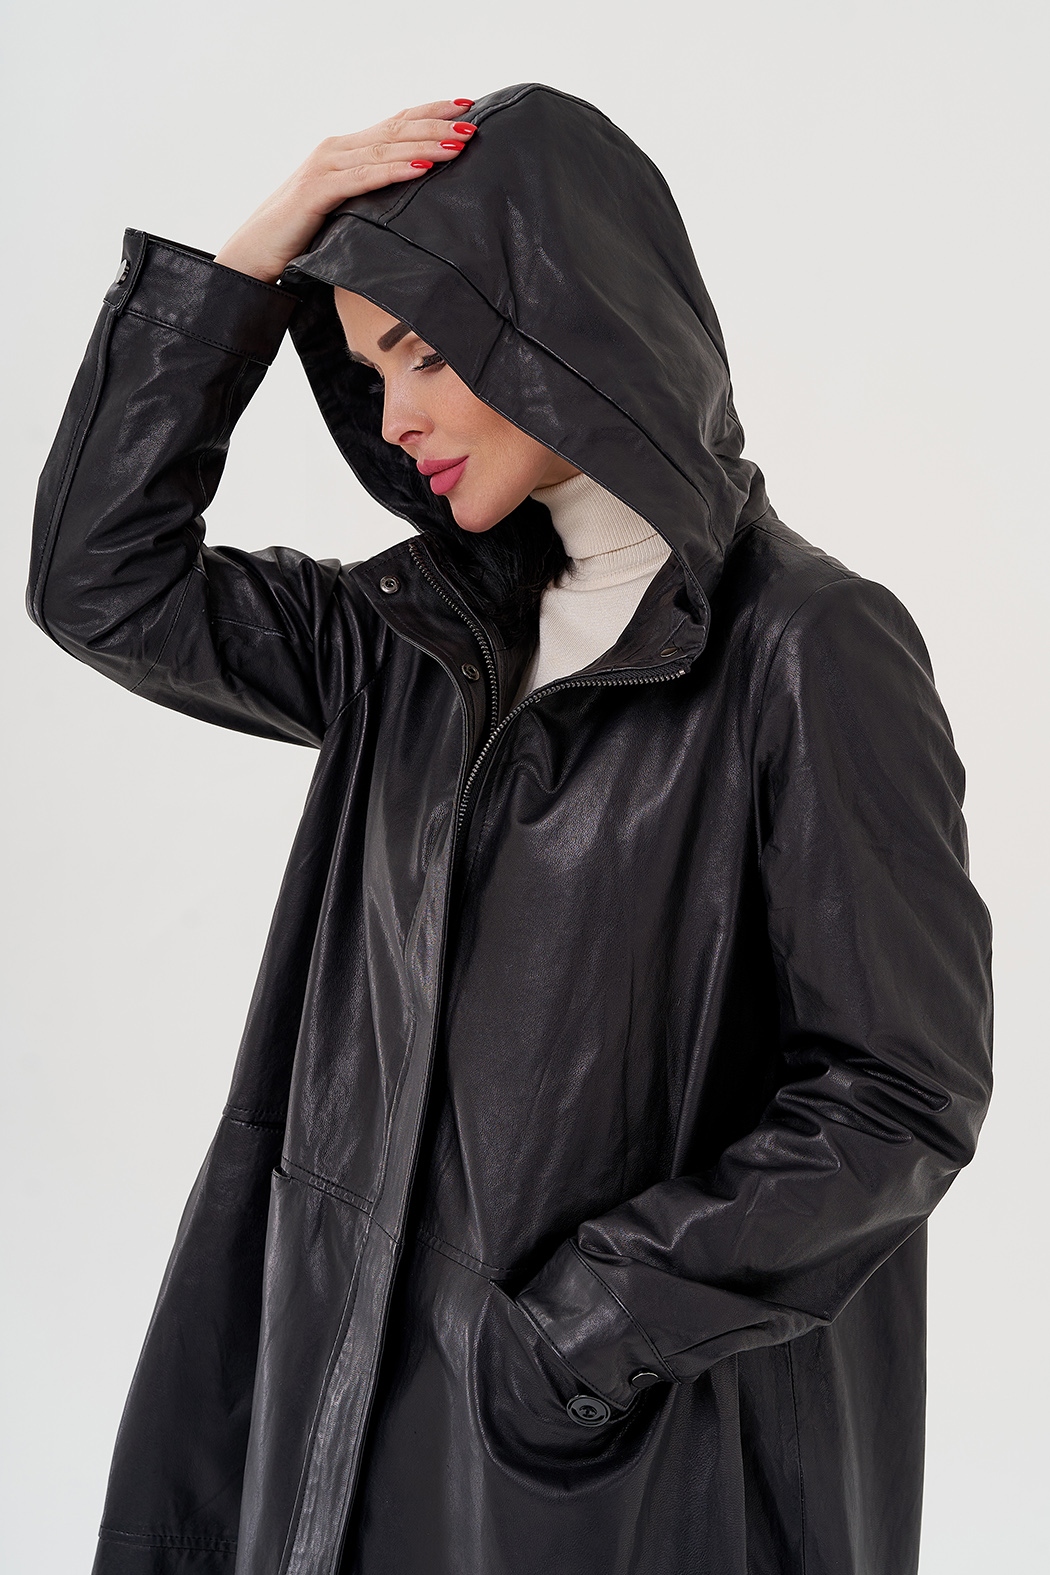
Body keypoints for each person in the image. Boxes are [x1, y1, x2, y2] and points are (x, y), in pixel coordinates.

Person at [27, 82, 993, 1575]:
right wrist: (239, 271)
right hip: (343, 1394)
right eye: (367, 368)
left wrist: (579, 1333)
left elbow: (896, 1095)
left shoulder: (809, 648)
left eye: (424, 352)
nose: (394, 417)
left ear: (569, 323)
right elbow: (105, 586)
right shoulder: (411, 637)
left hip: (613, 1455)